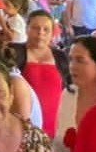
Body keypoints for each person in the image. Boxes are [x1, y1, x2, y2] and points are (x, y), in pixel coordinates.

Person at [16, 10, 67, 138]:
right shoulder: (15, 52)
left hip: (55, 128)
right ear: (26, 29)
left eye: (46, 29)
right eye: (35, 28)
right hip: (23, 128)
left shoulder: (61, 57)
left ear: (52, 33)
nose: (40, 33)